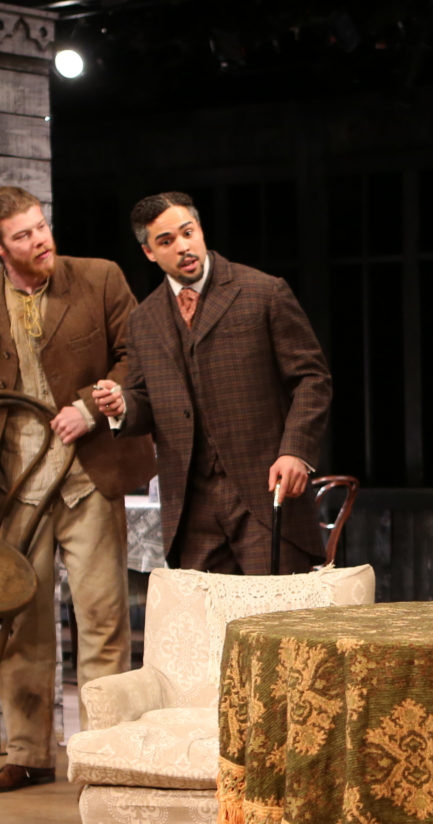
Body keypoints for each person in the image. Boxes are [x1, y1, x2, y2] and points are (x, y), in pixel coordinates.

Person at [0, 186, 154, 793]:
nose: (40, 240)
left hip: (87, 479)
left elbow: (137, 355)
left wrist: (91, 407)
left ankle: (103, 757)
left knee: (102, 619)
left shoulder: (99, 278)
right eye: (24, 235)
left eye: (41, 226)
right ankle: (29, 754)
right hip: (16, 484)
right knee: (20, 624)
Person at [94, 192, 331, 573]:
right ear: (149, 253)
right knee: (205, 612)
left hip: (263, 490)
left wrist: (295, 451)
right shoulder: (143, 320)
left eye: (188, 232)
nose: (183, 247)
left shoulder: (263, 292)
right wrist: (123, 407)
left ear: (200, 230)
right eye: (166, 241)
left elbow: (312, 378)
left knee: (276, 608)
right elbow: (143, 398)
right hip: (192, 506)